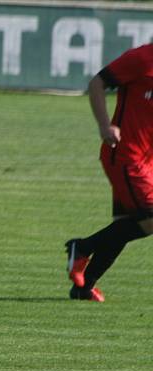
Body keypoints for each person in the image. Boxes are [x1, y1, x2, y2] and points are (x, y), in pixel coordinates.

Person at [65, 44, 153, 302]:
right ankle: (82, 247)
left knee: (126, 225)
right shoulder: (142, 58)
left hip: (145, 161)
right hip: (125, 156)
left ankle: (83, 287)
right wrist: (105, 125)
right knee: (147, 220)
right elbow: (97, 83)